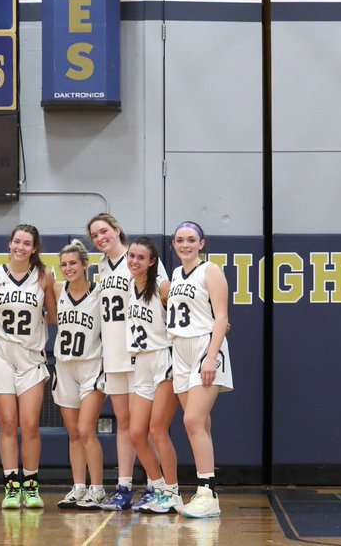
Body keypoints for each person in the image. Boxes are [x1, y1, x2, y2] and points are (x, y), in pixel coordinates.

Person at [86, 212, 167, 511]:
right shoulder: (101, 267)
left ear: (117, 230)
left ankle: (157, 486)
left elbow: (167, 297)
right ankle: (124, 487)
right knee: (124, 424)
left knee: (141, 428)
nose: (100, 238)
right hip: (113, 356)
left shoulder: (136, 261)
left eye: (104, 231)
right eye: (95, 235)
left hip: (139, 354)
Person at [0, 224, 55, 509]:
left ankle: (32, 484)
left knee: (30, 423)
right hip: (0, 352)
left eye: (26, 244)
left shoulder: (44, 276)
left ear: (34, 248)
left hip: (31, 355)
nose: (20, 247)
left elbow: (52, 316)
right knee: (8, 422)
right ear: (9, 244)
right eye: (16, 242)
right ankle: (12, 485)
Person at [168, 221, 233, 519]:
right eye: (180, 240)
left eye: (191, 239)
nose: (185, 244)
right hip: (179, 348)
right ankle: (205, 492)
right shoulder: (175, 274)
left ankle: (207, 491)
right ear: (174, 245)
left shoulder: (211, 270)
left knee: (192, 420)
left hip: (205, 346)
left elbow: (221, 317)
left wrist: (210, 356)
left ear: (202, 243)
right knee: (200, 424)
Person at [124, 236, 181, 515]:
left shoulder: (162, 285)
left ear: (152, 261)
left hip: (164, 361)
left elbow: (190, 306)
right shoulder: (130, 287)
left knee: (157, 430)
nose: (134, 261)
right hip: (141, 362)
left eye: (140, 257)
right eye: (131, 256)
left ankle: (173, 492)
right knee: (136, 434)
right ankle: (157, 488)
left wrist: (216, 320)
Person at [49, 239, 108, 510]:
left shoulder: (99, 293)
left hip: (92, 365)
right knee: (73, 433)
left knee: (86, 430)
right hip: (64, 366)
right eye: (64, 264)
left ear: (85, 265)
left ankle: (98, 489)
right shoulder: (57, 289)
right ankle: (78, 487)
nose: (68, 268)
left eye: (73, 263)